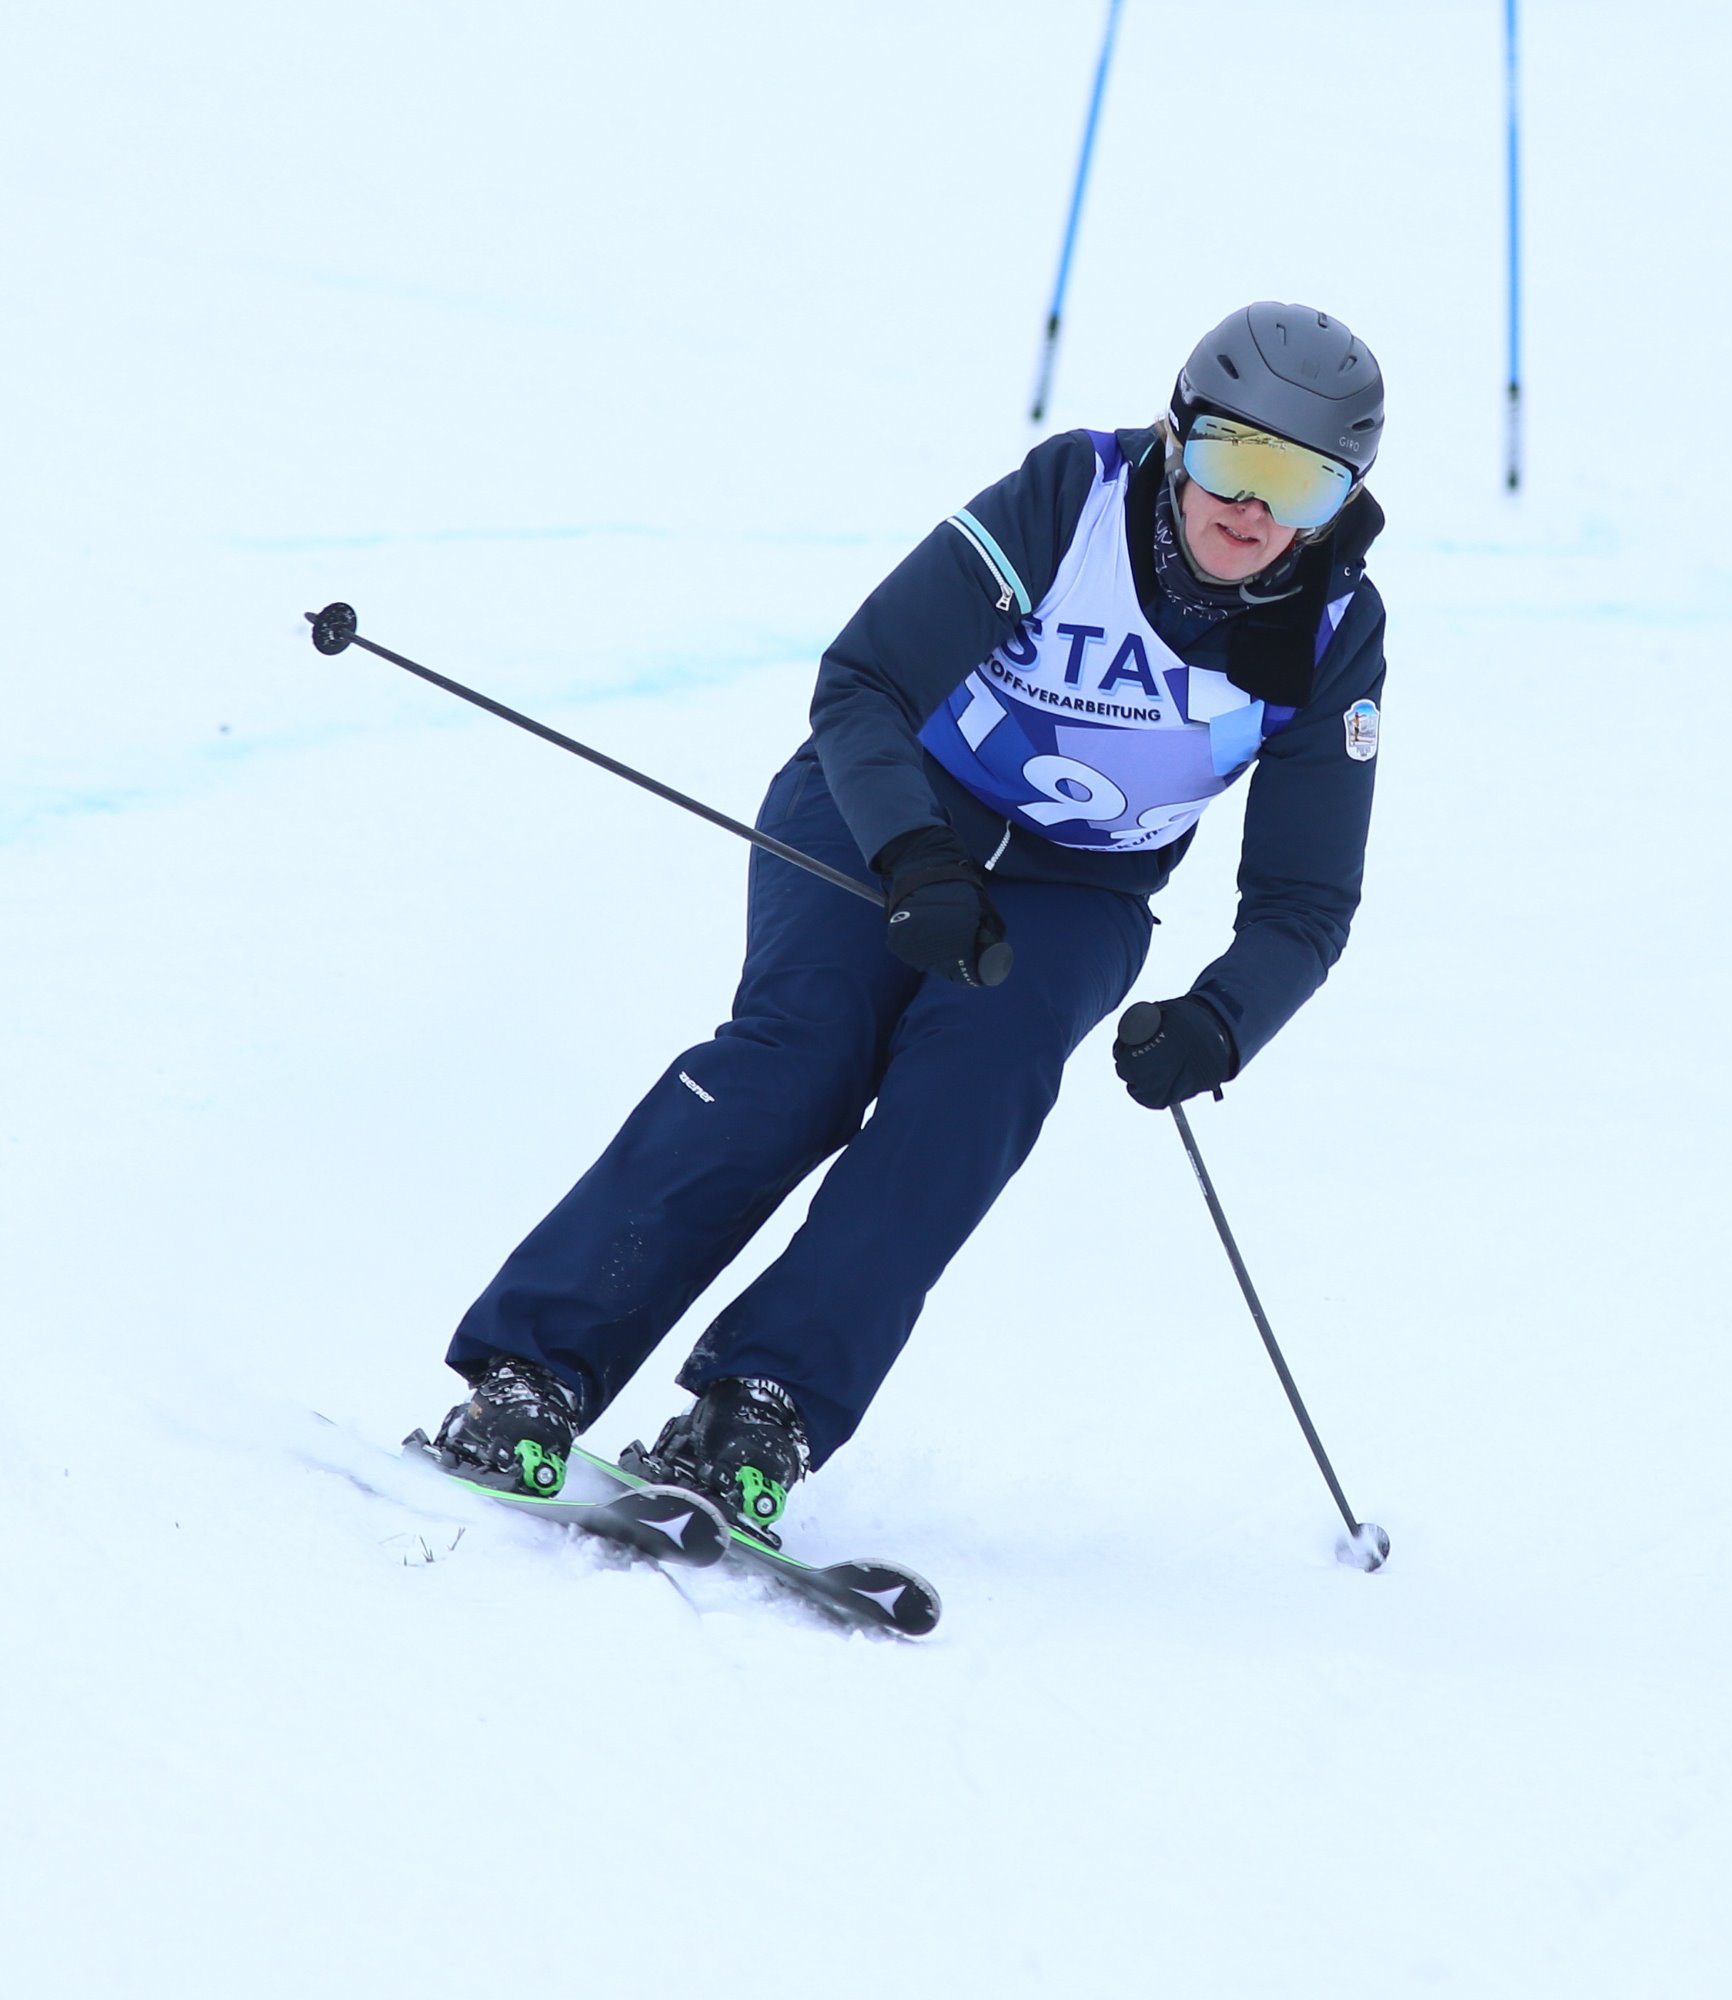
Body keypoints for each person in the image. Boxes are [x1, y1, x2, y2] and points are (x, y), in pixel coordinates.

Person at [431, 301, 1390, 1536]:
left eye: (1300, 483)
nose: (1252, 508)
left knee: (965, 1100)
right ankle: (532, 1370)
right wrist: (914, 853)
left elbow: (1305, 901)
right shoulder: (1073, 499)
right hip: (886, 803)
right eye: (1230, 456)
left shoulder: (1333, 629)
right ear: (1175, 433)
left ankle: (765, 1402)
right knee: (801, 1057)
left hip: (1079, 886)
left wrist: (1220, 1019)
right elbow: (863, 681)